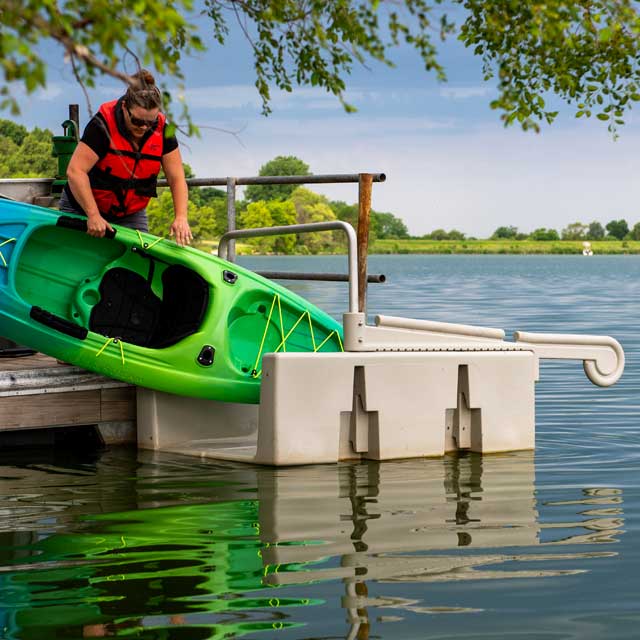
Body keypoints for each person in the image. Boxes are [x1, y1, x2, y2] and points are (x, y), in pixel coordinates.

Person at [59, 69, 192, 246]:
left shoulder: (163, 131)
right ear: (124, 108)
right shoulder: (101, 126)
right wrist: (93, 215)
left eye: (150, 122)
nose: (144, 127)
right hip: (82, 207)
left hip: (130, 214)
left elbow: (176, 178)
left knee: (137, 261)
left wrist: (181, 217)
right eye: (137, 121)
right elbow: (75, 171)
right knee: (78, 258)